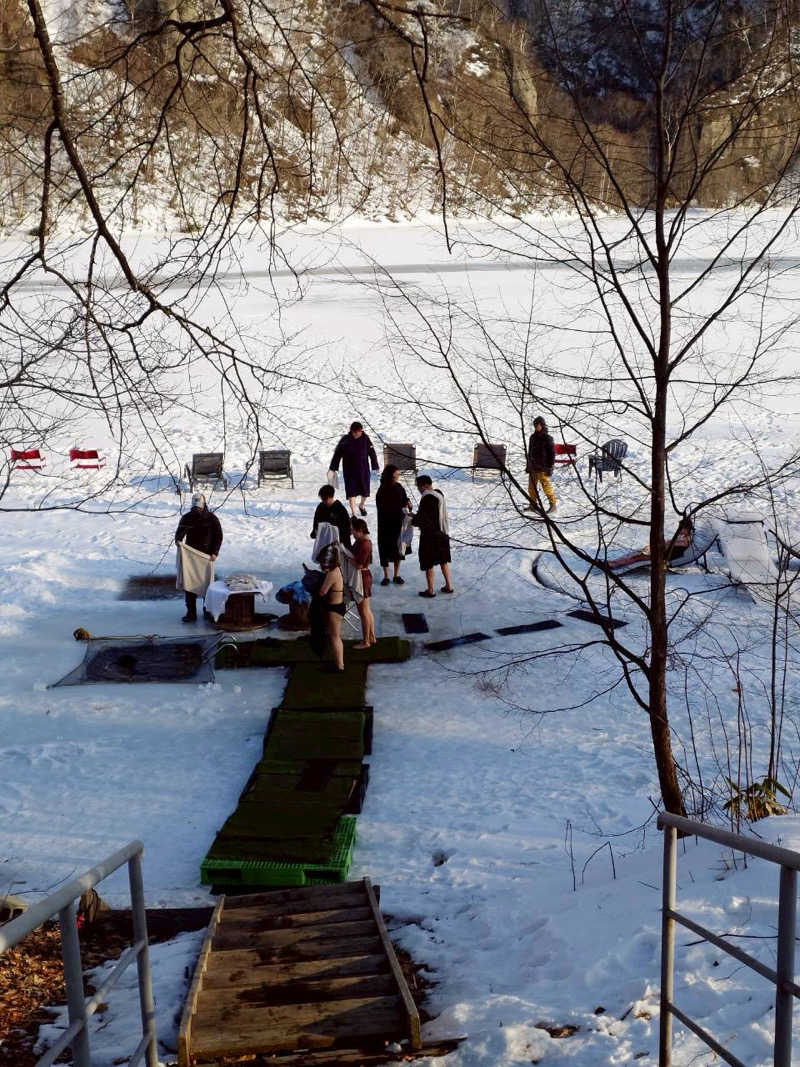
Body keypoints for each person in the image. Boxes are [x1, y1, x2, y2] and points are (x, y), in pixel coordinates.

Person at [174, 492, 223, 622]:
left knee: (207, 586)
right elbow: (179, 533)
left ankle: (207, 611)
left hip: (206, 557)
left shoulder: (212, 518)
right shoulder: (187, 518)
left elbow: (218, 536)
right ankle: (191, 613)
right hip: (190, 557)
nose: (197, 509)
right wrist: (178, 541)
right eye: (195, 507)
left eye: (199, 507)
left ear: (204, 505)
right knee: (190, 585)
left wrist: (215, 552)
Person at [412, 474, 453, 598]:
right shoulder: (438, 494)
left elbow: (425, 519)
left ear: (424, 485)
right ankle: (448, 586)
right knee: (443, 560)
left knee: (428, 562)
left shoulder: (427, 498)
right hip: (443, 533)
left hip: (430, 536)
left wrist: (413, 519)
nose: (418, 489)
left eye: (418, 487)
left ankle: (430, 590)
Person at [329, 421, 379, 518]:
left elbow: (372, 452)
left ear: (361, 431)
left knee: (365, 492)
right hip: (349, 471)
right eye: (354, 432)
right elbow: (337, 454)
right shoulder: (345, 440)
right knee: (351, 492)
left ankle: (361, 505)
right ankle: (354, 513)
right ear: (351, 431)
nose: (356, 434)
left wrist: (375, 465)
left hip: (363, 471)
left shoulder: (365, 439)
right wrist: (333, 467)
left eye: (358, 432)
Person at [375, 464, 411, 585]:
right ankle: (386, 576)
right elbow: (381, 506)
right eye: (396, 474)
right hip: (385, 523)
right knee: (384, 548)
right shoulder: (382, 489)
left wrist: (408, 502)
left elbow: (405, 499)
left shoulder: (399, 487)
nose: (398, 475)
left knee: (397, 548)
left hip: (397, 523)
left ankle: (396, 575)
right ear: (391, 475)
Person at [319, 544, 345, 671]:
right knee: (333, 635)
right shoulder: (337, 569)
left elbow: (323, 592)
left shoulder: (332, 574)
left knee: (335, 637)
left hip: (334, 608)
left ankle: (340, 666)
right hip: (339, 605)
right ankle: (337, 662)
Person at [351, 518, 376, 648]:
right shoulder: (361, 541)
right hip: (363, 577)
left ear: (360, 530)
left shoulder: (365, 543)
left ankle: (366, 641)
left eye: (353, 530)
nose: (352, 533)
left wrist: (347, 557)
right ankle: (371, 637)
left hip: (362, 577)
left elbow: (359, 564)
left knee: (363, 611)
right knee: (367, 610)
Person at [526, 415, 557, 515]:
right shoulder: (532, 437)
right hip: (533, 467)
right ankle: (532, 505)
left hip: (543, 467)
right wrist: (528, 465)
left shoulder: (548, 438)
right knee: (531, 488)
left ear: (542, 425)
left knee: (546, 486)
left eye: (538, 425)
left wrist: (550, 466)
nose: (536, 427)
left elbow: (552, 454)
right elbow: (529, 452)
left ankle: (553, 505)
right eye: (535, 425)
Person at [311, 485, 353, 551]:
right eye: (322, 499)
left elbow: (347, 528)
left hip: (339, 542)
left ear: (331, 497)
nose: (323, 501)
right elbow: (316, 521)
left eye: (325, 499)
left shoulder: (340, 509)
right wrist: (315, 531)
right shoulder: (320, 507)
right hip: (325, 541)